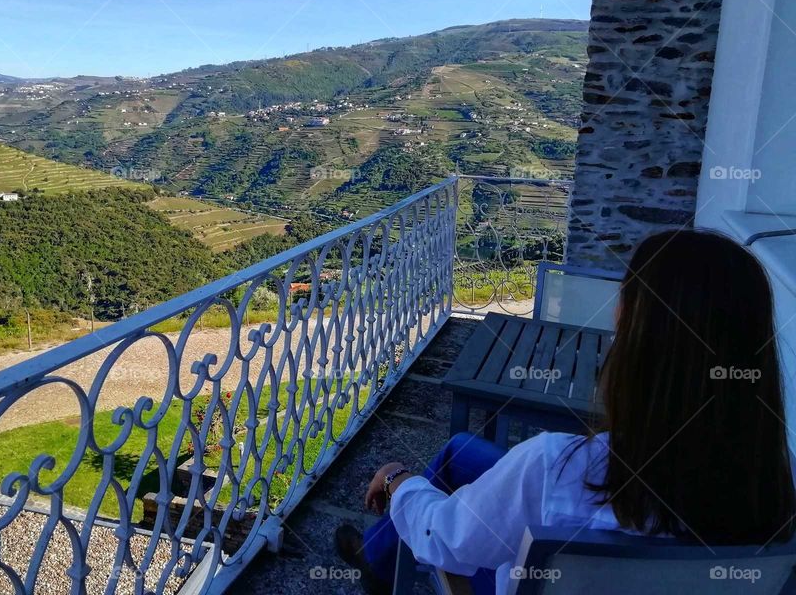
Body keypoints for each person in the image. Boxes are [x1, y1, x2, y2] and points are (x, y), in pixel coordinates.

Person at [335, 229, 796, 594]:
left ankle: (376, 561)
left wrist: (398, 479)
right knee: (459, 452)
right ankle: (376, 557)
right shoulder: (773, 483)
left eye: (625, 309)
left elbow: (444, 539)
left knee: (438, 505)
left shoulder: (557, 466)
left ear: (640, 349)